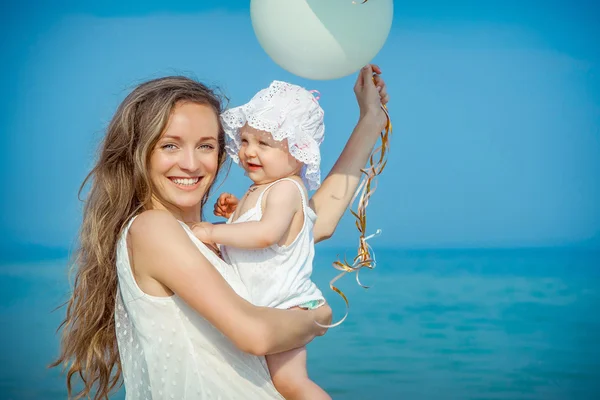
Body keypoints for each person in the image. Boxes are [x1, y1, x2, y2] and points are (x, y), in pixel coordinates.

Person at [51, 64, 389, 400]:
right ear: (139, 153)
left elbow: (317, 220)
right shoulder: (154, 229)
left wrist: (371, 120)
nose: (191, 163)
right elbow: (254, 334)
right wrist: (319, 317)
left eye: (205, 146)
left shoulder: (222, 238)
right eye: (170, 145)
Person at [191, 80, 329, 399]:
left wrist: (213, 231)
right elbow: (257, 227)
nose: (249, 151)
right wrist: (236, 214)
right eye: (245, 140)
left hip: (287, 306)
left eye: (264, 143)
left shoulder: (286, 188)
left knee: (291, 383)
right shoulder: (262, 189)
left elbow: (266, 233)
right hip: (268, 307)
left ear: (298, 151)